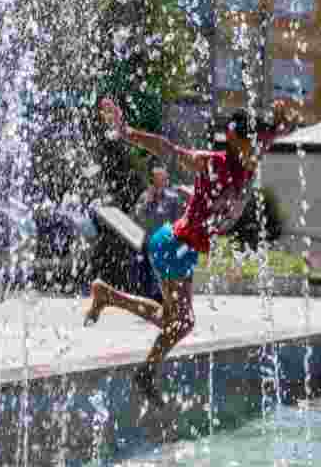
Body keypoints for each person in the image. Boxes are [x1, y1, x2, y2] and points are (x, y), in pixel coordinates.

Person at [84, 96, 299, 395]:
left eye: (258, 145)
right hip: (172, 244)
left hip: (185, 251)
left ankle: (108, 297)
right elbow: (167, 149)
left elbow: (281, 129)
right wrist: (126, 131)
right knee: (181, 322)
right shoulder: (211, 163)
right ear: (235, 139)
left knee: (174, 320)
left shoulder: (252, 153)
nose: (256, 152)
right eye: (250, 145)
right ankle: (145, 369)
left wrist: (286, 116)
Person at [132, 159, 185, 302]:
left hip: (165, 243)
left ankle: (164, 301)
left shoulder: (173, 198)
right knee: (147, 276)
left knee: (163, 275)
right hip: (148, 243)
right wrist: (148, 202)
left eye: (162, 178)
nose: (159, 182)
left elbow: (178, 221)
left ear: (166, 180)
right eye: (156, 179)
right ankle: (152, 302)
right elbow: (137, 217)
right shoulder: (145, 197)